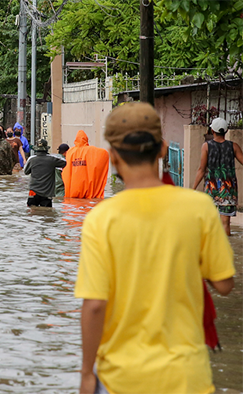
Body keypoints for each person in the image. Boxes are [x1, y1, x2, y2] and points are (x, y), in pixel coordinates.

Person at [75, 102, 235, 394]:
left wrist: (87, 374)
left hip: (121, 379)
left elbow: (95, 305)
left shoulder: (101, 219)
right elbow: (224, 284)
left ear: (112, 157)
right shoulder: (198, 209)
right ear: (162, 149)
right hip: (187, 378)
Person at [193, 117, 243, 236]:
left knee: (209, 222)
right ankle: (227, 251)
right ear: (226, 131)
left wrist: (193, 188)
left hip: (212, 188)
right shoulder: (234, 146)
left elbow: (201, 169)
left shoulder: (206, 146)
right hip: (228, 189)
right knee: (225, 224)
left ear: (212, 130)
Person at [62, 130, 109, 198]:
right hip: (89, 190)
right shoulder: (92, 151)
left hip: (73, 190)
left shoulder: (70, 152)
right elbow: (104, 153)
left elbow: (66, 170)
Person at [24, 139, 66, 207]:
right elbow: (64, 162)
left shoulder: (32, 159)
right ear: (46, 148)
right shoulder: (52, 159)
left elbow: (25, 172)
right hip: (47, 193)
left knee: (32, 212)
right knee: (47, 213)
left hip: (33, 191)